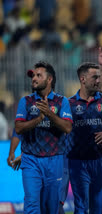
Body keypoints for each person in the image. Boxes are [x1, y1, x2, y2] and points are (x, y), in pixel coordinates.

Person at [14, 61, 73, 213]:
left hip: (55, 160)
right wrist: (38, 120)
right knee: (32, 205)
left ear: (49, 79)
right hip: (31, 159)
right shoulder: (26, 101)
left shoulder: (62, 101)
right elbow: (19, 128)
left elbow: (67, 127)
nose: (34, 78)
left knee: (51, 207)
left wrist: (49, 114)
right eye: (33, 75)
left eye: (38, 75)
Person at [67, 62, 102, 213]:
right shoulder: (69, 104)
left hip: (100, 160)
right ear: (82, 79)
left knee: (99, 208)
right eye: (94, 77)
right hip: (77, 162)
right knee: (81, 207)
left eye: (99, 77)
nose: (98, 81)